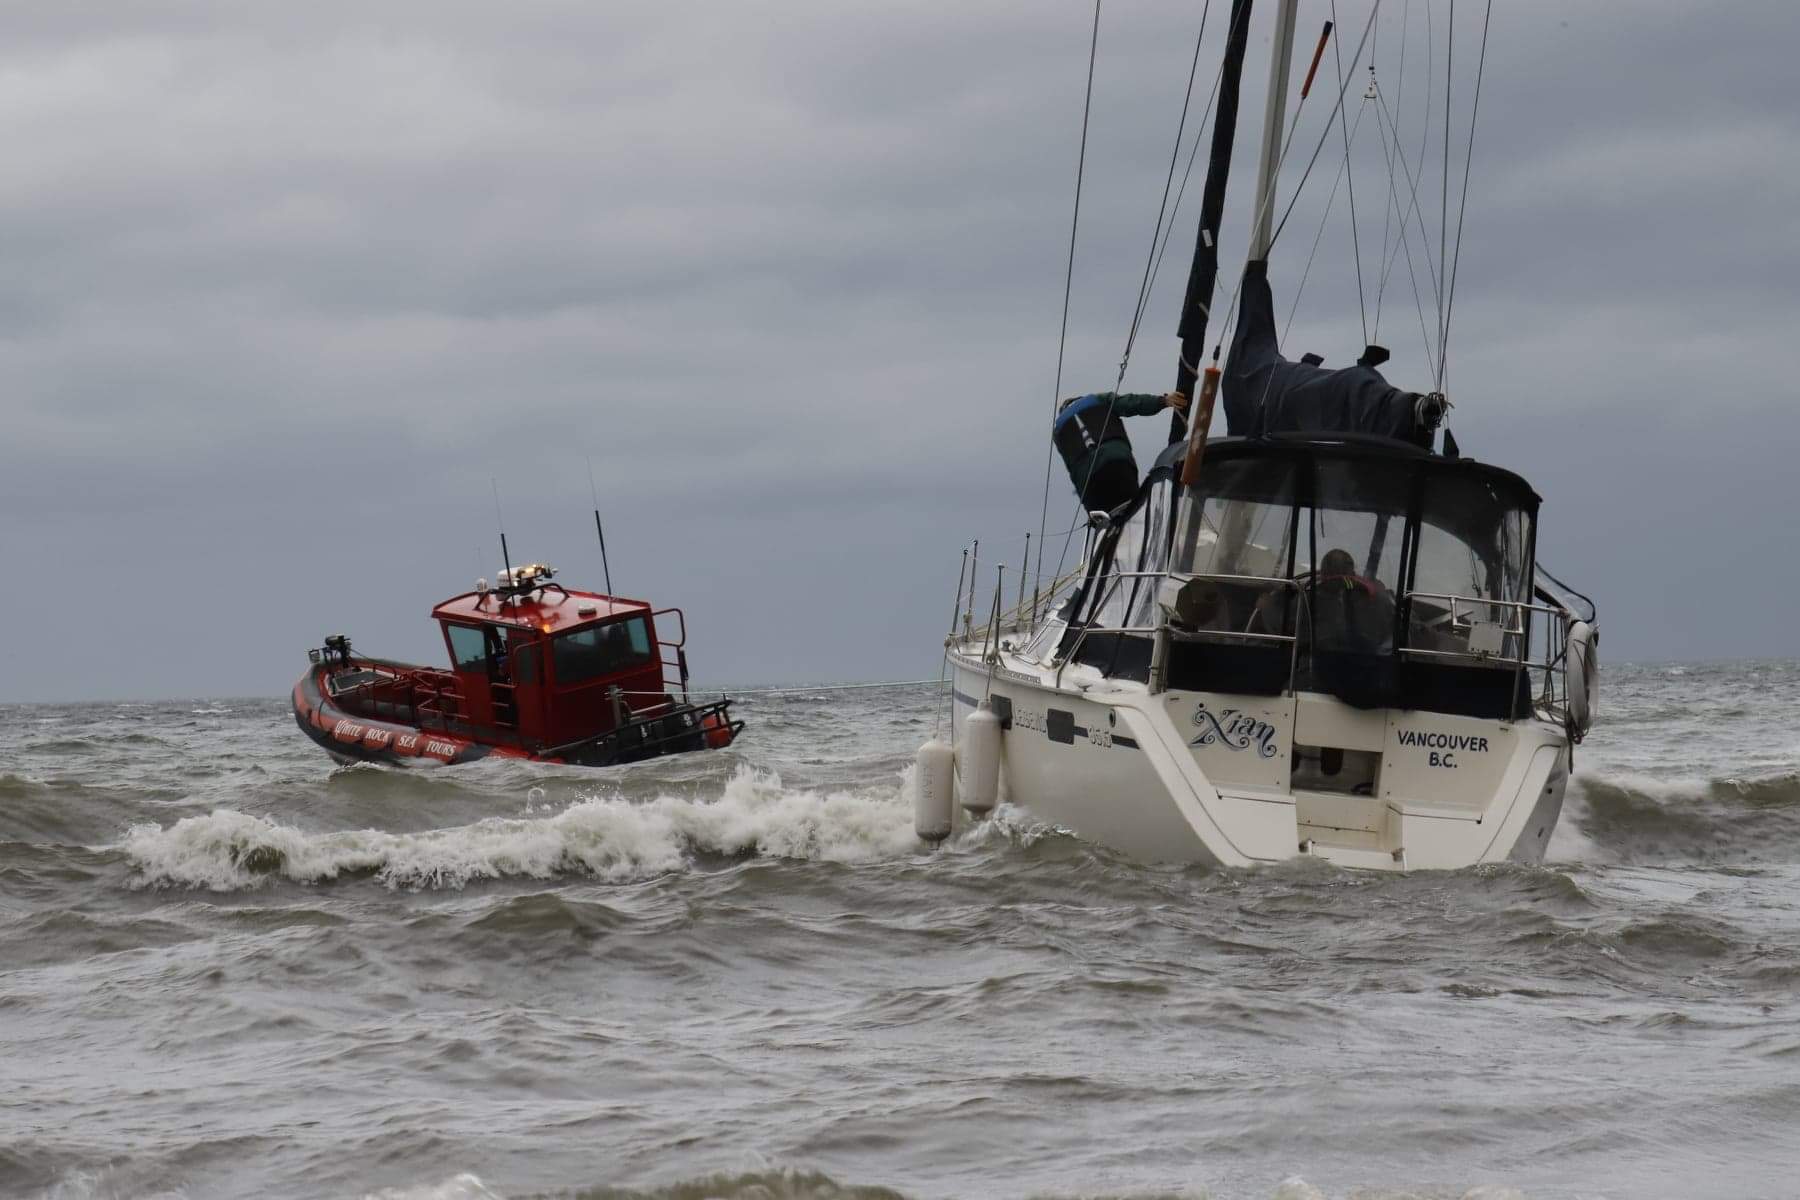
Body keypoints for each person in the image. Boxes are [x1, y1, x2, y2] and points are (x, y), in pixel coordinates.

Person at [1053, 390, 1188, 515]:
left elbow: (1071, 467)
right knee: (1134, 511)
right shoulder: (1098, 400)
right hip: (1117, 462)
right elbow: (1132, 403)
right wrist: (1163, 401)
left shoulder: (1058, 432)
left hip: (1088, 480)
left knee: (1103, 522)